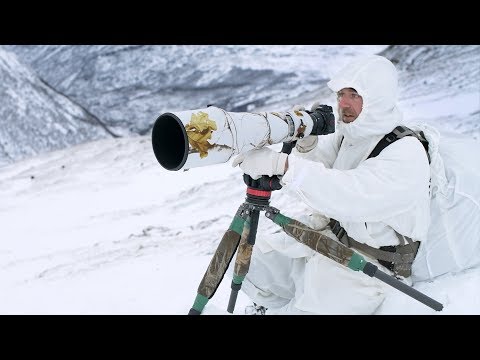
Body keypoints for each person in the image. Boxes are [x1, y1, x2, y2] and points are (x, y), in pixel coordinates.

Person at [231, 55, 431, 314]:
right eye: (340, 94)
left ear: (378, 98)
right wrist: (307, 145)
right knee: (251, 264)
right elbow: (325, 172)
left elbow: (353, 197)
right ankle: (271, 307)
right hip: (331, 239)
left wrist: (283, 166)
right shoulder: (351, 135)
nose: (343, 103)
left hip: (371, 266)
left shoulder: (405, 151)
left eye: (354, 95)